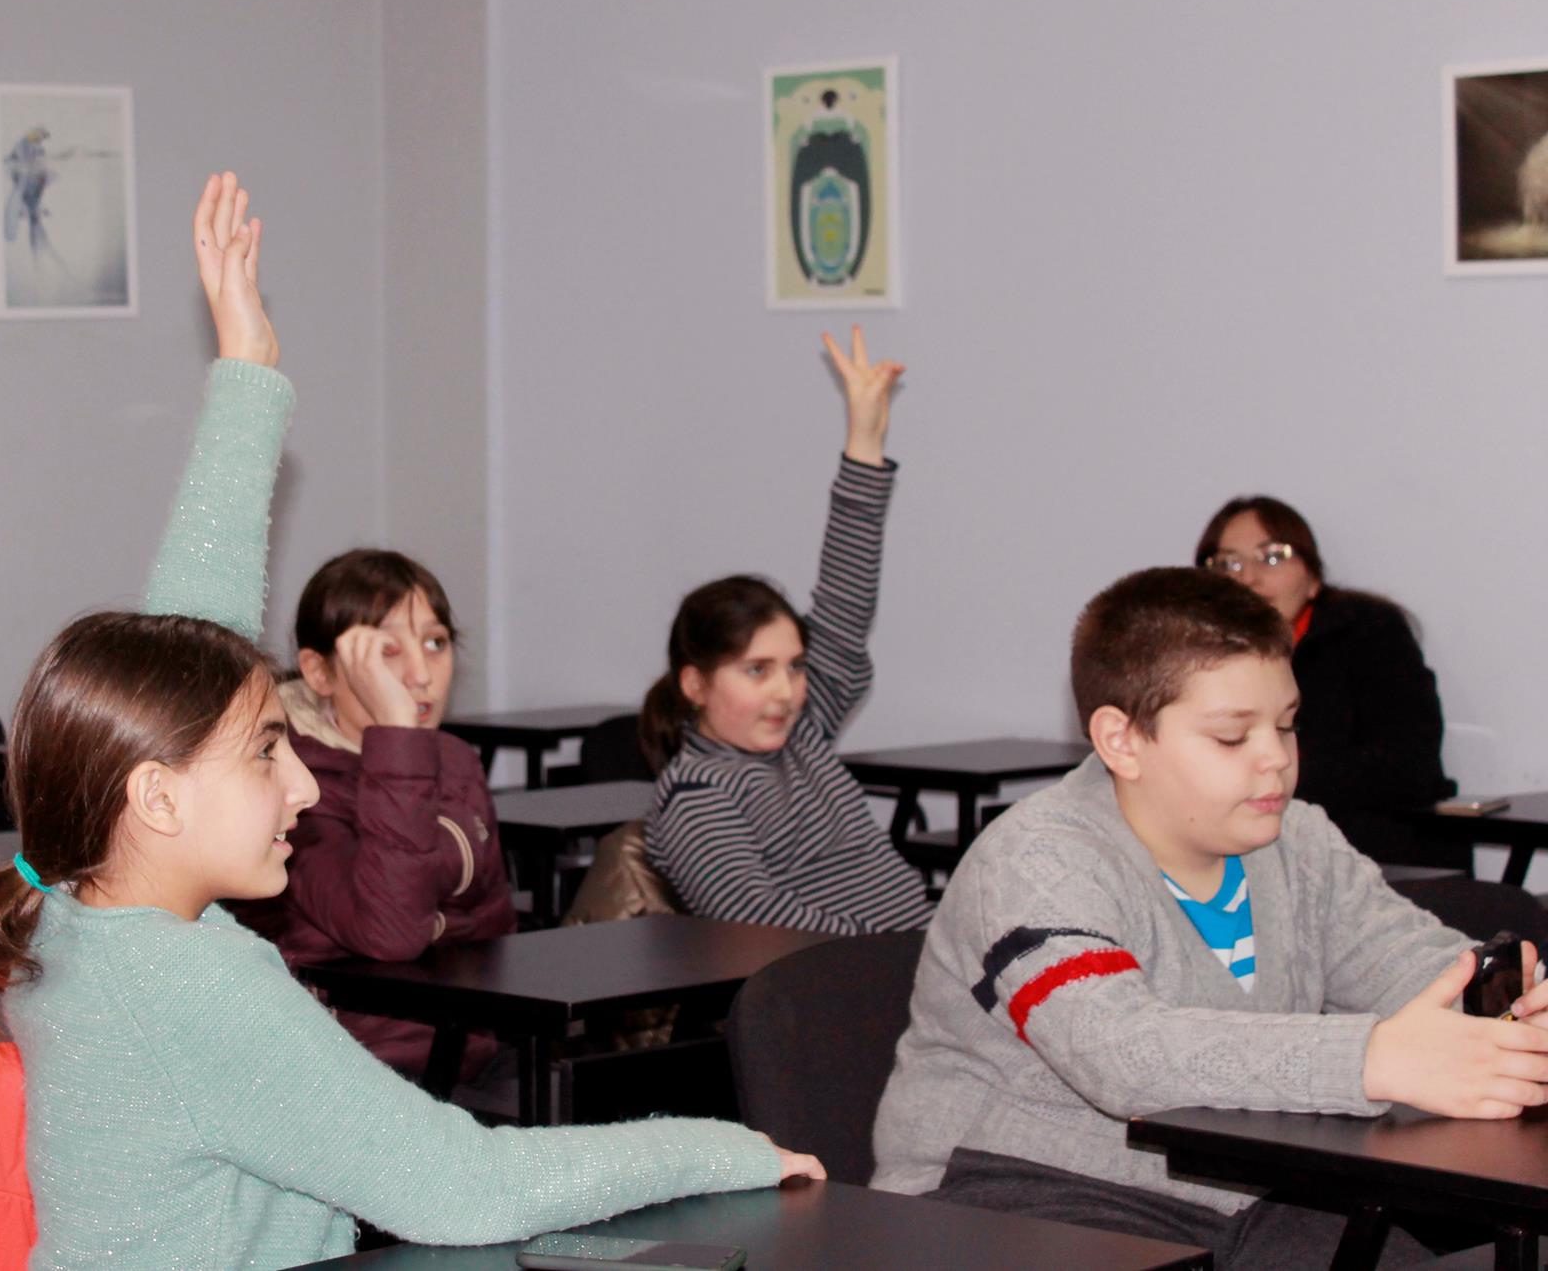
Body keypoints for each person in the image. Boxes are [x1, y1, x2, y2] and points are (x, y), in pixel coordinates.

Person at [0, 172, 820, 1271]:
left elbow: (190, 652)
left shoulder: (77, 909)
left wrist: (248, 373)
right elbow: (463, 1189)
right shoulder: (188, 987)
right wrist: (728, 1149)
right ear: (157, 796)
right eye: (268, 752)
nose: (304, 782)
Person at [872, 566, 1548, 1269]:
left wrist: (1514, 1010)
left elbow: (1409, 963)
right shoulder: (1035, 859)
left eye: (1286, 724)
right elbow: (1121, 1052)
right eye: (1231, 737)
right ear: (1121, 741)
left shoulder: (1299, 841)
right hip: (1016, 1186)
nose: (1276, 759)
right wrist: (1372, 1058)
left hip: (1242, 1187)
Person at [637, 326, 930, 935]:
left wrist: (864, 442)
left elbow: (846, 597)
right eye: (757, 670)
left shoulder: (804, 735)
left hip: (923, 967)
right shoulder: (697, 798)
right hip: (852, 985)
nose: (786, 691)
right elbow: (769, 930)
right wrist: (919, 959)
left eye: (795, 667)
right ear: (695, 684)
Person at [197, 549, 514, 1078]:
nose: (420, 675)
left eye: (435, 643)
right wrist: (397, 737)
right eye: (386, 651)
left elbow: (494, 924)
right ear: (319, 672)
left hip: (469, 1050)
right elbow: (391, 932)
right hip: (345, 1066)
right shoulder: (289, 781)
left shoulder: (456, 760)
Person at [1195, 495, 1455, 866]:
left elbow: (1409, 764)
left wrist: (1263, 775)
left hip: (1373, 847)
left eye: (1272, 557)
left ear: (1314, 578)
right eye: (1227, 563)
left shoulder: (1369, 631)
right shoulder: (1192, 655)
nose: (1247, 577)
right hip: (1251, 846)